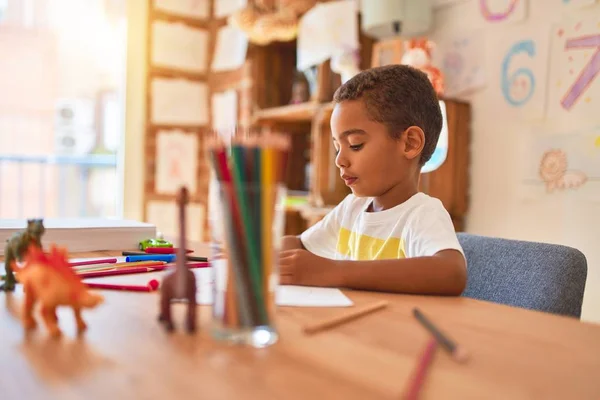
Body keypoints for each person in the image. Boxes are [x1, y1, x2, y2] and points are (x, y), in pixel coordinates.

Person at [279, 64, 467, 296]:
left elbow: (451, 273)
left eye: (355, 145)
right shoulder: (352, 209)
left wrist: (335, 271)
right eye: (338, 148)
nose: (339, 160)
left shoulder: (421, 214)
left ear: (410, 143)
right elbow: (299, 245)